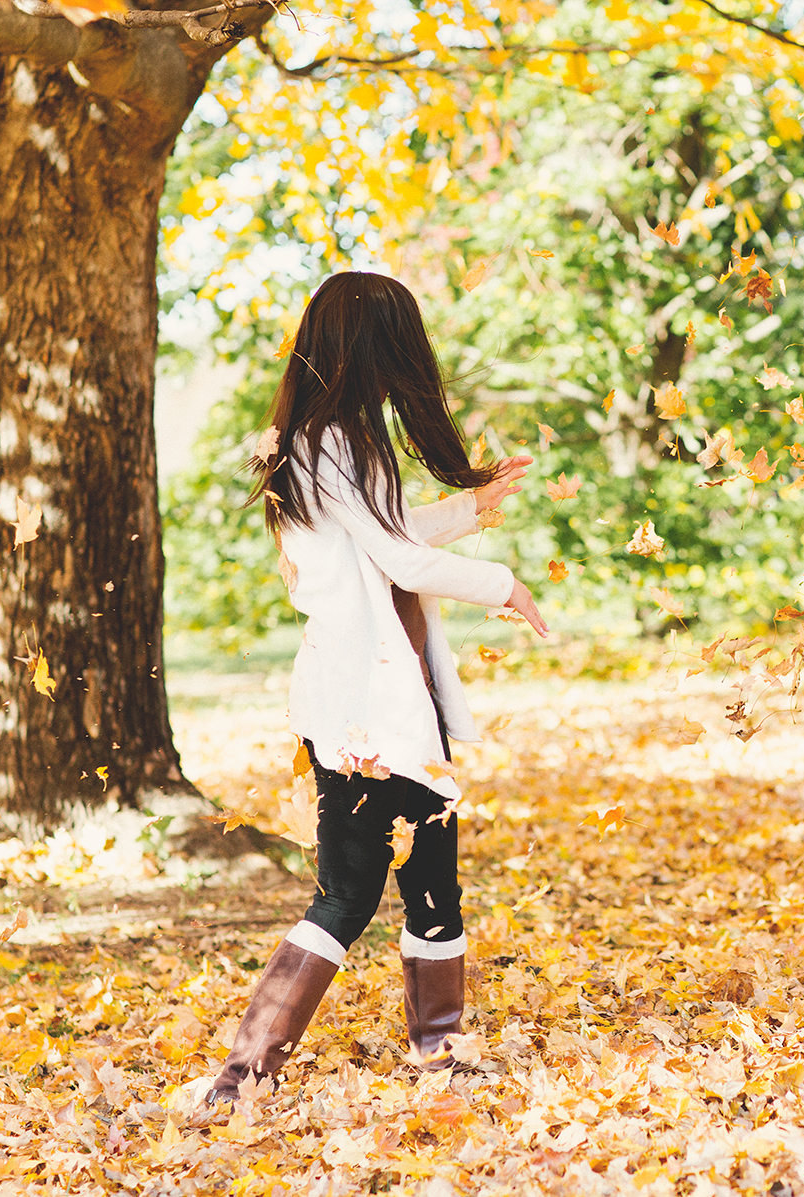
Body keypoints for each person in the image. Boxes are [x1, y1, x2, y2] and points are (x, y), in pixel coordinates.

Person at [206, 271, 551, 1104]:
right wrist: (504, 582)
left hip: (372, 694)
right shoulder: (340, 440)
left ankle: (440, 1051)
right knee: (353, 888)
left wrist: (475, 505)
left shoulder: (321, 435)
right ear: (375, 345)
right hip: (367, 703)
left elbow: (382, 538)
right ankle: (244, 1073)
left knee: (428, 875)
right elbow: (396, 557)